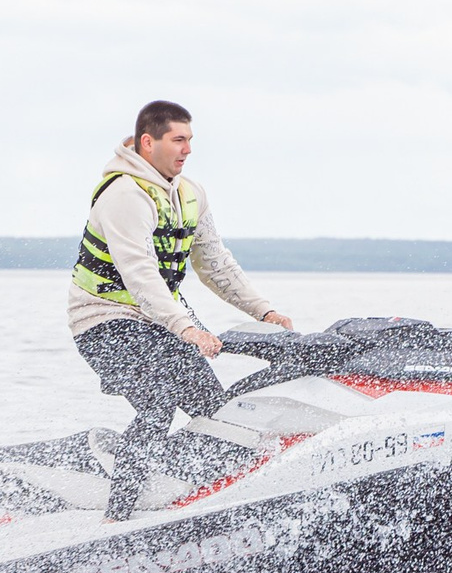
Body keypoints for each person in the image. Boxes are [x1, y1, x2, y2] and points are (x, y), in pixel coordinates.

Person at [68, 99, 293, 519]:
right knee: (158, 402)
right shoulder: (123, 195)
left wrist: (263, 311)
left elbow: (215, 263)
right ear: (147, 142)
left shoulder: (191, 194)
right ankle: (118, 516)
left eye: (190, 140)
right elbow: (140, 275)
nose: (187, 149)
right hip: (102, 323)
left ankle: (208, 495)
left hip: (157, 323)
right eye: (178, 140)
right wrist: (188, 329)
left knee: (216, 412)